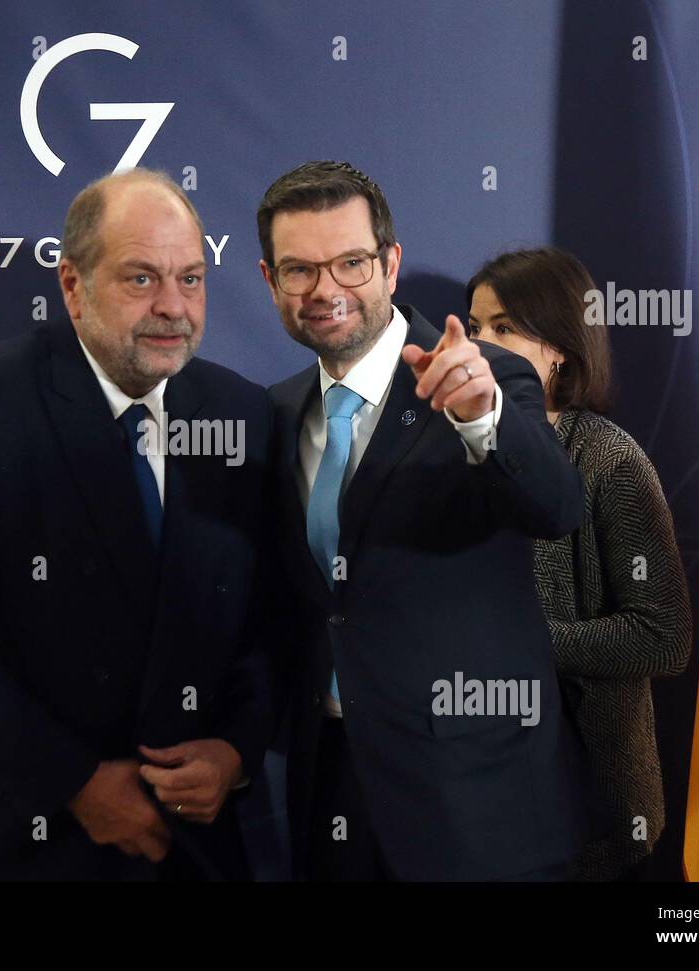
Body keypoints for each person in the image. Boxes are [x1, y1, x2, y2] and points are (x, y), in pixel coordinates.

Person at [0, 168, 274, 880]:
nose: (173, 307)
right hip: (5, 842)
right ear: (72, 285)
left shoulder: (240, 413)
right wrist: (76, 782)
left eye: (191, 278)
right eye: (141, 279)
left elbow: (269, 618)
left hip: (188, 849)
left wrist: (236, 750)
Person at [257, 160, 593, 881]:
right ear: (269, 281)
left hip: (480, 804)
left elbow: (555, 507)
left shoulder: (489, 377)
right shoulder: (275, 412)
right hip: (333, 794)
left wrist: (481, 419)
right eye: (299, 270)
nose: (326, 290)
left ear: (390, 263)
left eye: (350, 263)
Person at [466, 246, 692, 881]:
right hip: (471, 791)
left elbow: (663, 638)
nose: (481, 343)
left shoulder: (611, 462)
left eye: (505, 327)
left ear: (559, 349)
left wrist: (521, 645)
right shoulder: (444, 450)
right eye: (476, 326)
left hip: (588, 798)